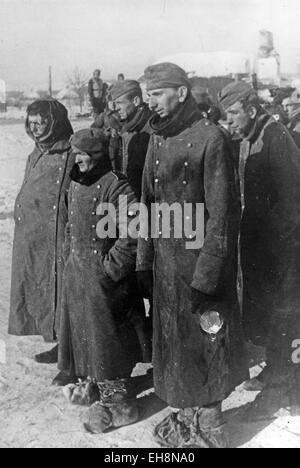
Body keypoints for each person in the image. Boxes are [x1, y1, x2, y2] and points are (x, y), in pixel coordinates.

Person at [137, 63, 248, 448]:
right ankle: (186, 419)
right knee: (175, 347)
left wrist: (207, 278)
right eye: (147, 94)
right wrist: (143, 261)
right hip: (167, 265)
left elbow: (223, 215)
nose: (149, 101)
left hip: (201, 266)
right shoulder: (157, 137)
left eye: (156, 93)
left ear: (181, 94)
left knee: (206, 344)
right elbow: (148, 205)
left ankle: (209, 430)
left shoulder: (211, 139)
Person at [220, 82, 300, 419]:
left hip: (281, 252)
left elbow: (293, 201)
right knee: (266, 316)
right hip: (261, 248)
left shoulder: (277, 137)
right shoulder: (253, 137)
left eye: (235, 114)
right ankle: (275, 372)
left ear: (251, 110)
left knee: (282, 317)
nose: (231, 122)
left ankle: (281, 392)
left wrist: (279, 248)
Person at [57, 128, 145, 430]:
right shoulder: (76, 182)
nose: (78, 159)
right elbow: (71, 223)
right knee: (84, 335)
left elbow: (132, 234)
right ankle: (96, 380)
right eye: (75, 153)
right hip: (78, 275)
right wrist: (71, 256)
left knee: (109, 341)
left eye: (83, 154)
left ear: (97, 155)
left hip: (106, 282)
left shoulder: (116, 186)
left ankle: (119, 402)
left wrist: (109, 270)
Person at [9, 97, 74, 365]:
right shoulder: (36, 153)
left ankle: (69, 348)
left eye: (41, 123)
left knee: (61, 288)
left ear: (55, 123)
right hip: (33, 237)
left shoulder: (70, 153)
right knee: (42, 289)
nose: (35, 128)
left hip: (57, 234)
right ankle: (57, 341)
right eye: (31, 123)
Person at [110, 79, 152, 200]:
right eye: (114, 103)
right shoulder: (123, 127)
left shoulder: (152, 128)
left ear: (136, 101)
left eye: (120, 103)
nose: (116, 108)